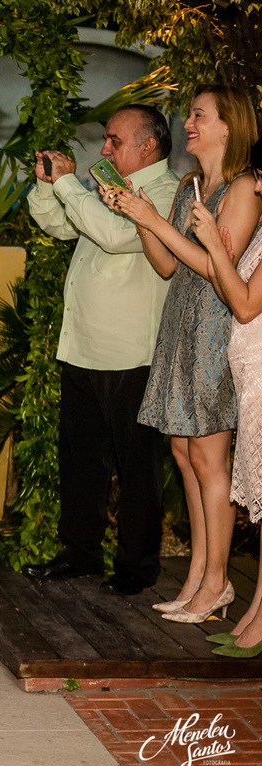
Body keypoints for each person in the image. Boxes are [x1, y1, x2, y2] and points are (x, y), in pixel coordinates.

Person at [103, 85, 262, 624]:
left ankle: (217, 583)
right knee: (182, 452)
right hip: (179, 324)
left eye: (199, 115)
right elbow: (168, 264)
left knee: (209, 459)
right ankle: (198, 574)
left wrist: (156, 223)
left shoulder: (244, 189)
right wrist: (141, 216)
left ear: (228, 125)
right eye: (190, 114)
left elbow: (221, 270)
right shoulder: (191, 184)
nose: (188, 123)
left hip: (215, 329)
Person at [21, 105, 180, 595]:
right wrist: (50, 185)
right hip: (85, 345)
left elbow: (114, 236)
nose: (104, 148)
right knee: (81, 461)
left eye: (113, 139)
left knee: (136, 468)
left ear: (147, 144)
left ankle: (137, 568)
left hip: (130, 352)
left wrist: (72, 185)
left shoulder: (165, 192)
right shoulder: (111, 186)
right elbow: (62, 226)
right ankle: (80, 555)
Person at [189, 139, 262, 656]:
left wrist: (215, 243)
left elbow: (243, 305)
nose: (256, 185)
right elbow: (226, 286)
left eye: (261, 176)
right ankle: (256, 612)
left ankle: (260, 623)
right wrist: (217, 250)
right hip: (252, 381)